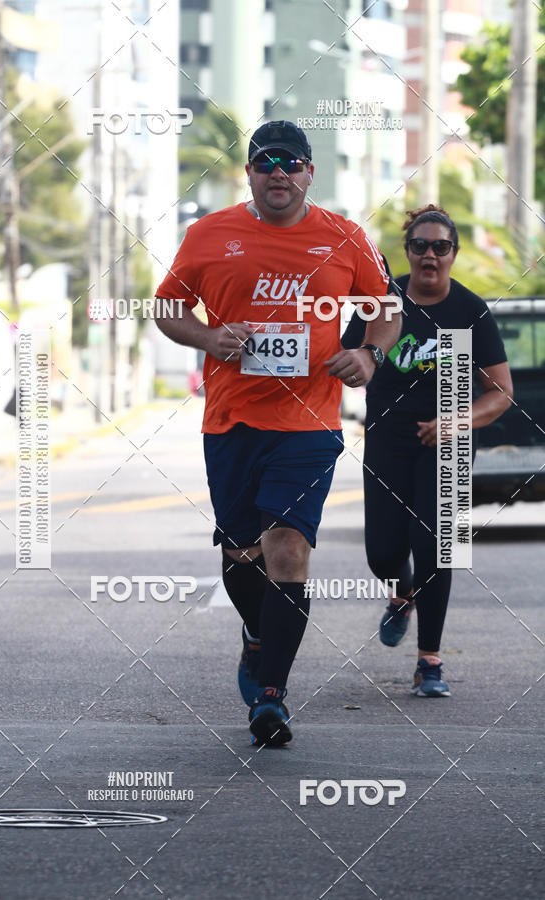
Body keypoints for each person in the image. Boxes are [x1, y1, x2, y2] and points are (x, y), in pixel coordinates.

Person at [154, 120, 401, 745]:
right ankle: (257, 634)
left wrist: (368, 355)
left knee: (287, 547)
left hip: (308, 422)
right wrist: (210, 338)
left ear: (310, 172)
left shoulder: (345, 237)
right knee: (241, 551)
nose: (279, 173)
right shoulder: (208, 235)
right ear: (249, 173)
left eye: (291, 163)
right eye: (266, 163)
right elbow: (167, 307)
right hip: (232, 420)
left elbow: (386, 309)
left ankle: (272, 695)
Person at [341, 204, 513, 696]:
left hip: (451, 441)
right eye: (420, 245)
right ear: (409, 251)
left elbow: (500, 392)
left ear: (454, 254)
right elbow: (353, 357)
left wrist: (454, 421)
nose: (430, 255)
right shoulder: (383, 301)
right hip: (388, 438)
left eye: (441, 246)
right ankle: (401, 592)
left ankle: (429, 662)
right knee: (383, 553)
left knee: (438, 546)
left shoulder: (469, 310)